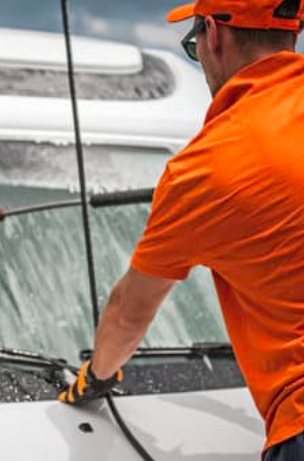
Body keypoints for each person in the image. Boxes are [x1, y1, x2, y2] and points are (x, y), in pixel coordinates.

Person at [58, 0, 304, 459]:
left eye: (193, 44)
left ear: (213, 35)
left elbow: (128, 312)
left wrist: (96, 378)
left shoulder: (205, 170)